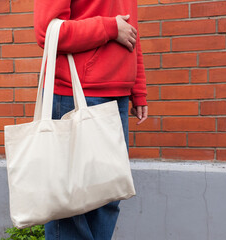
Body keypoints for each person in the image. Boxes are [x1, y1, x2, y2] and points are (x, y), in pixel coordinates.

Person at [34, 0, 148, 239]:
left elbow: (130, 30)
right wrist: (109, 29)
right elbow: (48, 31)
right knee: (71, 201)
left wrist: (137, 88)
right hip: (76, 94)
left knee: (108, 196)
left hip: (116, 94)